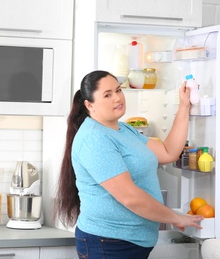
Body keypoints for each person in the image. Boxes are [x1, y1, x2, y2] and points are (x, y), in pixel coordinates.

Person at [55, 70, 204, 259]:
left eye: (118, 90)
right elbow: (130, 197)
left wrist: (184, 106)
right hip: (108, 243)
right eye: (107, 95)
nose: (117, 98)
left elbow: (168, 151)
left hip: (129, 243)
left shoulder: (123, 129)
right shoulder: (94, 139)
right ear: (89, 104)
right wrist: (175, 218)